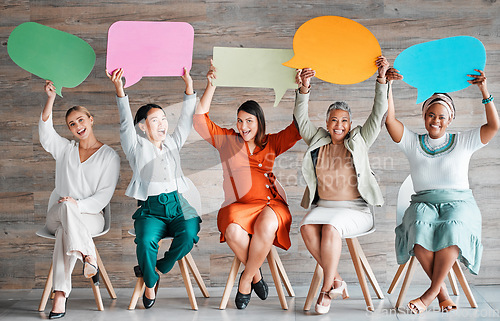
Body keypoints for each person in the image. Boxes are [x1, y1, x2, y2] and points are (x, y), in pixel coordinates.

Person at [385, 68, 499, 314]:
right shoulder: (413, 142)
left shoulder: (463, 141)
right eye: (431, 115)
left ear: (450, 120)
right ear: (424, 116)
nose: (435, 121)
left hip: (459, 204)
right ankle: (442, 293)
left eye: (441, 117)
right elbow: (390, 122)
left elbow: (493, 126)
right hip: (423, 204)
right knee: (416, 227)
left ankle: (429, 294)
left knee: (453, 227)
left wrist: (484, 91)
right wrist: (388, 86)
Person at [193, 61, 301, 309]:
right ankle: (256, 275)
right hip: (239, 206)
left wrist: (301, 90)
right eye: (240, 121)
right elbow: (200, 121)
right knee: (231, 230)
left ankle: (244, 281)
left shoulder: (271, 143)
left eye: (249, 121)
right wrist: (211, 86)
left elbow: (297, 129)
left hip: (270, 204)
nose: (243, 127)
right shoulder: (228, 141)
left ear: (259, 122)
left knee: (267, 223)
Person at [294, 57, 397, 314]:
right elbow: (300, 117)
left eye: (344, 121)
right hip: (324, 206)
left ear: (350, 124)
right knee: (306, 227)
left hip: (355, 210)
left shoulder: (360, 139)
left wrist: (381, 78)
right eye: (333, 120)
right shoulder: (317, 139)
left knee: (330, 229)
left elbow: (378, 113)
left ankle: (326, 290)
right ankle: (338, 278)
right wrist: (305, 87)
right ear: (327, 123)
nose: (338, 125)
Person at [107, 67, 202, 310]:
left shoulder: (173, 142)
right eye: (154, 120)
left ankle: (160, 267)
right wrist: (120, 90)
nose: (162, 124)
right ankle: (150, 283)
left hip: (179, 204)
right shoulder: (135, 146)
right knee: (146, 239)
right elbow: (125, 123)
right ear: (142, 126)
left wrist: (189, 87)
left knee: (189, 234)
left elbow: (185, 119)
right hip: (151, 209)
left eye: (163, 118)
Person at [40, 81, 120, 319]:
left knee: (65, 233)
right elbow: (45, 135)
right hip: (58, 214)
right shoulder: (65, 149)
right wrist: (51, 99)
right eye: (72, 124)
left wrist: (78, 205)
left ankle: (60, 297)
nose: (77, 126)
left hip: (91, 217)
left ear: (91, 119)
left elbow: (103, 197)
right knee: (65, 207)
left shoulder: (109, 156)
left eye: (81, 120)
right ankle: (88, 256)